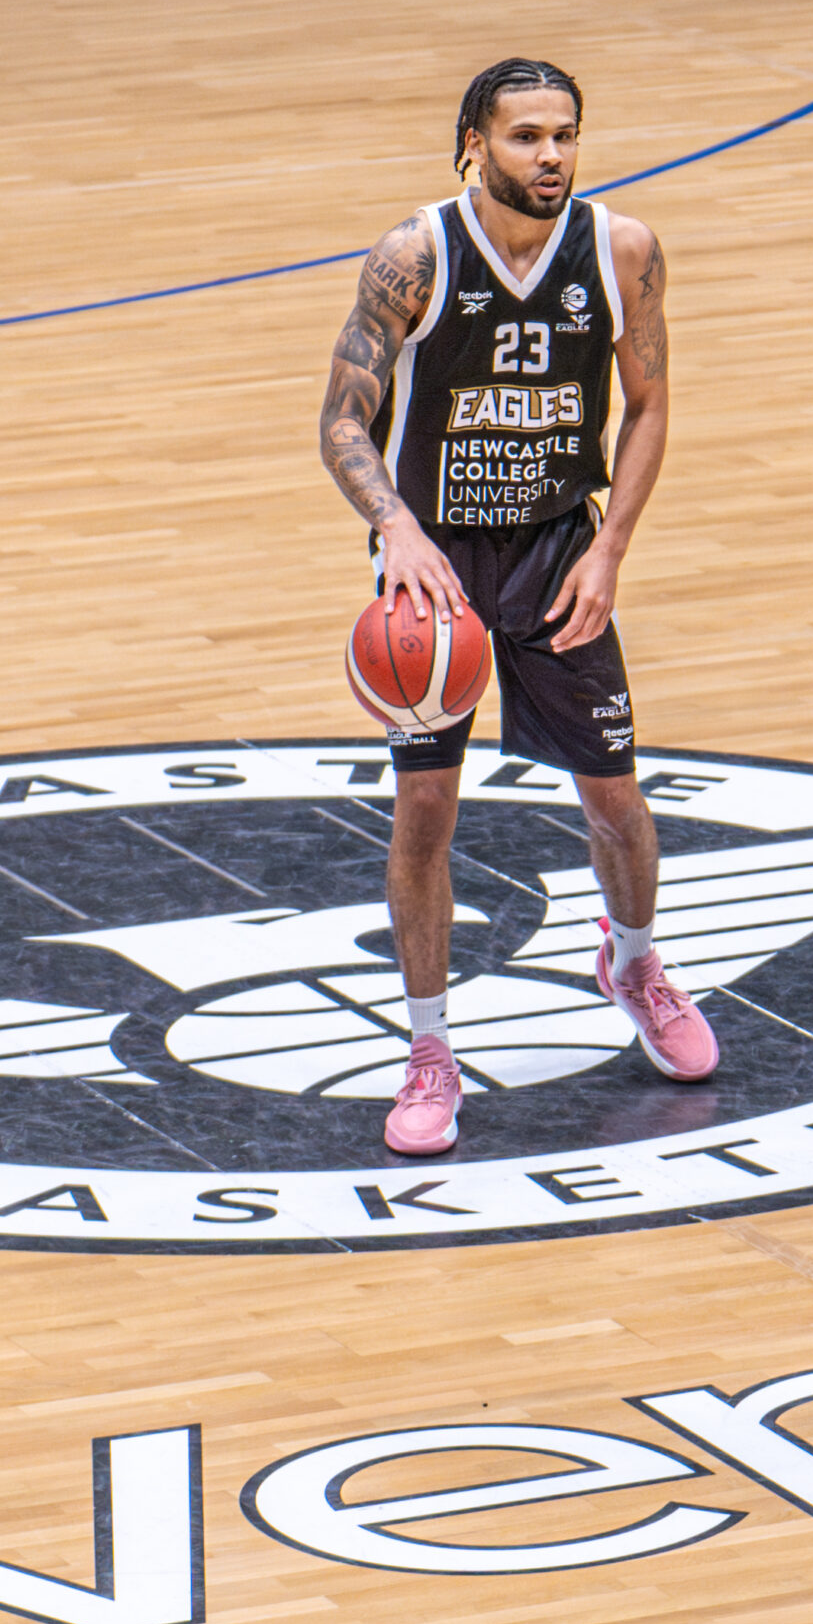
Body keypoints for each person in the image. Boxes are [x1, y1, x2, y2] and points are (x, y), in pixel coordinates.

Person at [318, 58, 716, 1158]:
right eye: (526, 136)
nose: (550, 156)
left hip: (555, 550)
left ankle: (632, 959)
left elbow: (646, 404)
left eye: (565, 135)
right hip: (435, 567)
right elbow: (343, 420)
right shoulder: (414, 256)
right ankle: (430, 1047)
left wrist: (613, 550)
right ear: (473, 145)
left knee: (617, 799)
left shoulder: (621, 251)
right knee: (426, 816)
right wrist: (394, 525)